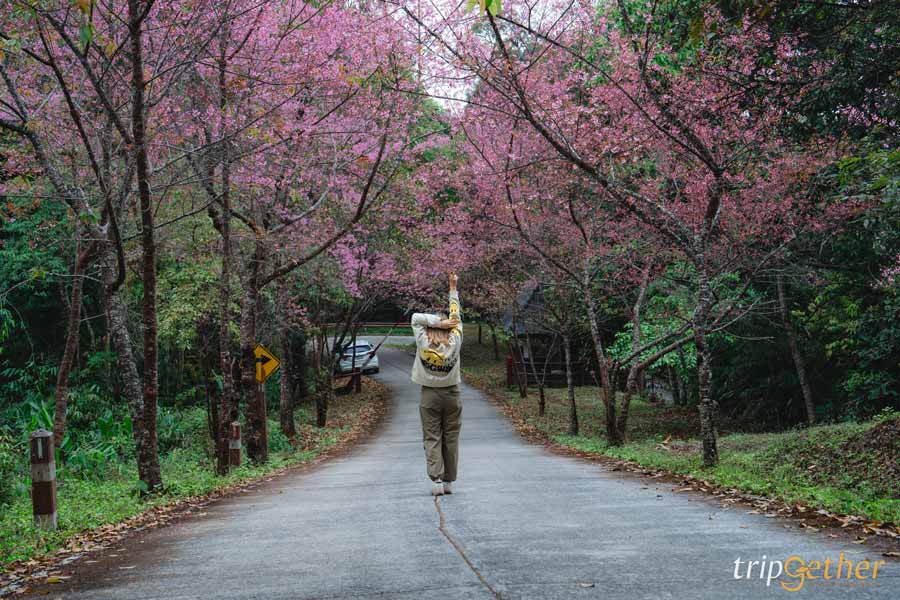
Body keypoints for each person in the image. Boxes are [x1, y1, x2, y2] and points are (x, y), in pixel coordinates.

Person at [410, 273, 463, 496]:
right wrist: (453, 288)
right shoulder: (455, 341)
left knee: (432, 436)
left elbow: (415, 318)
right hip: (452, 394)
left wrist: (437, 322)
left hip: (429, 394)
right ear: (449, 329)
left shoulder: (422, 341)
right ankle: (450, 481)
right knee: (451, 437)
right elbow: (457, 317)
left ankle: (437, 481)